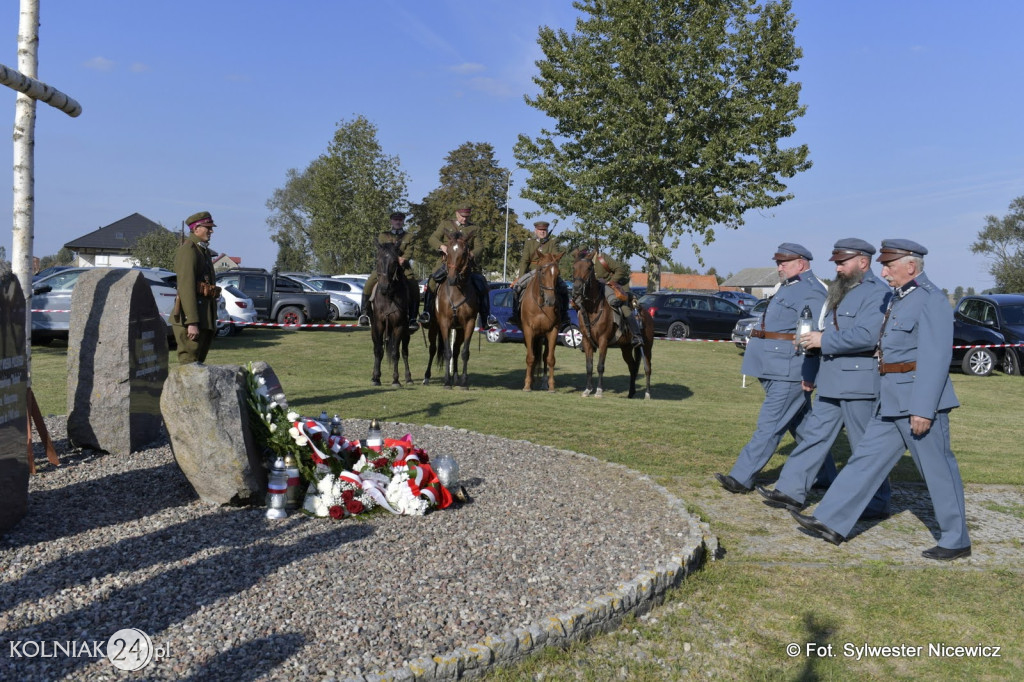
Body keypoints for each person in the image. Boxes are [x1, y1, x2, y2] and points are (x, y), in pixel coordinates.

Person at [791, 239, 971, 560]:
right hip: (890, 397)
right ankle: (830, 520)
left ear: (910, 266)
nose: (884, 271)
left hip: (917, 400)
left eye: (889, 265)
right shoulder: (900, 299)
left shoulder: (930, 300)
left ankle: (956, 539)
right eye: (884, 265)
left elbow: (935, 358)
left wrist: (923, 408)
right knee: (865, 460)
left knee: (938, 470)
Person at [755, 238, 891, 520]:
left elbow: (868, 336)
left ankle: (877, 501)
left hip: (858, 381)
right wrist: (811, 370)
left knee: (864, 446)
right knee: (814, 438)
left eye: (843, 262)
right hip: (831, 379)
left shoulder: (877, 293)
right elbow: (817, 330)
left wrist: (824, 340)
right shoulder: (839, 291)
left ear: (862, 262)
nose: (838, 268)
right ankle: (791, 491)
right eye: (837, 263)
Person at [715, 243, 826, 493]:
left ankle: (742, 477)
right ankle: (826, 474)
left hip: (790, 369)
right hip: (774, 366)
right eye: (778, 262)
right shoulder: (789, 287)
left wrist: (808, 372)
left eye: (783, 263)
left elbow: (811, 336)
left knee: (770, 424)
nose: (779, 267)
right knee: (804, 427)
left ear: (801, 263)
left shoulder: (812, 290)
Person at [419, 205, 494, 328]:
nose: (464, 219)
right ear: (457, 214)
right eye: (462, 216)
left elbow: (480, 247)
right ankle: (427, 312)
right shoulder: (445, 224)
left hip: (466, 265)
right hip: (447, 263)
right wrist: (441, 246)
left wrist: (470, 254)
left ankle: (486, 317)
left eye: (467, 216)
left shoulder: (474, 228)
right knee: (432, 281)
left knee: (482, 284)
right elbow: (432, 238)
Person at [171, 211, 219, 364]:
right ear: (196, 228)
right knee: (189, 365)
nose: (211, 231)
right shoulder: (189, 250)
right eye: (208, 227)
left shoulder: (201, 250)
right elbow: (186, 287)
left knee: (198, 365)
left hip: (203, 317)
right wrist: (192, 322)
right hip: (192, 320)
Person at [358, 212, 420, 329]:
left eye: (400, 220)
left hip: (402, 267)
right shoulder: (383, 235)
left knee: (413, 285)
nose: (398, 222)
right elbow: (383, 251)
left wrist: (404, 258)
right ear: (391, 221)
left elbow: (409, 251)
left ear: (403, 222)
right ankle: (364, 313)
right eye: (395, 220)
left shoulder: (409, 236)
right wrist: (394, 258)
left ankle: (412, 318)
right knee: (369, 283)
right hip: (386, 267)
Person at [574, 247, 642, 346]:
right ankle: (587, 338)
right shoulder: (585, 264)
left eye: (584, 254)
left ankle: (637, 335)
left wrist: (610, 281)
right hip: (600, 289)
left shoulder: (602, 258)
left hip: (617, 286)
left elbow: (620, 270)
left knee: (623, 307)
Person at [510, 220, 571, 330]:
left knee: (563, 288)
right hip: (532, 271)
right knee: (517, 288)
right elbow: (524, 260)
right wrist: (520, 276)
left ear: (547, 231)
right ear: (536, 230)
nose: (542, 232)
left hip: (547, 272)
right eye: (540, 230)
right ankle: (515, 315)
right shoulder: (530, 242)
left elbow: (554, 256)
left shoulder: (552, 242)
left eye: (544, 230)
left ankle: (564, 315)